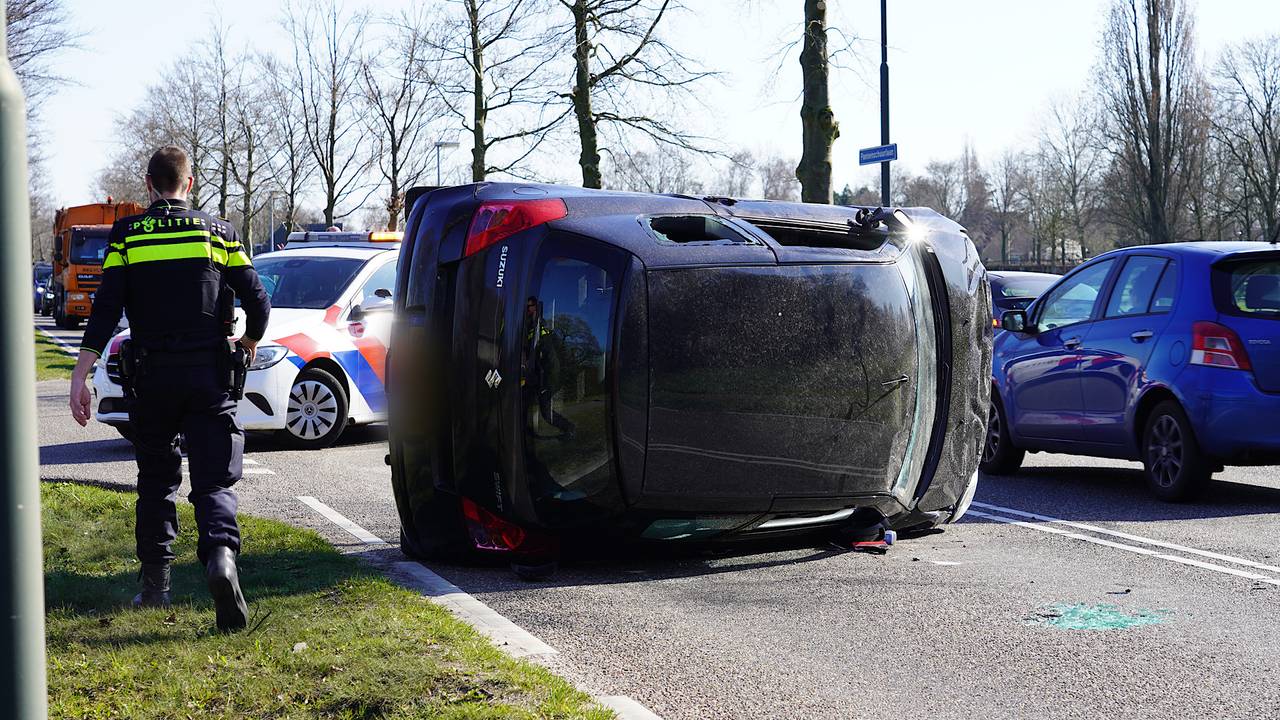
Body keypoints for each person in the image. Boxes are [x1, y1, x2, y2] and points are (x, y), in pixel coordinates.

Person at [68, 146, 271, 633]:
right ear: (191, 183)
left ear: (149, 183)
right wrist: (247, 341)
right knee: (213, 481)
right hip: (209, 377)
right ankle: (220, 558)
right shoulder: (218, 234)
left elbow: (106, 308)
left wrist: (82, 371)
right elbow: (257, 299)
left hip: (153, 378)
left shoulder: (127, 235)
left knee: (157, 481)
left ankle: (156, 585)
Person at [522, 297, 575, 441]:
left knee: (545, 412)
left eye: (531, 306)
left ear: (537, 309)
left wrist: (547, 384)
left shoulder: (541, 332)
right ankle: (523, 431)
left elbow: (552, 362)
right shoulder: (529, 328)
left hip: (546, 379)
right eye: (526, 307)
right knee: (523, 402)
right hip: (537, 377)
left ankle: (569, 429)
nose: (528, 309)